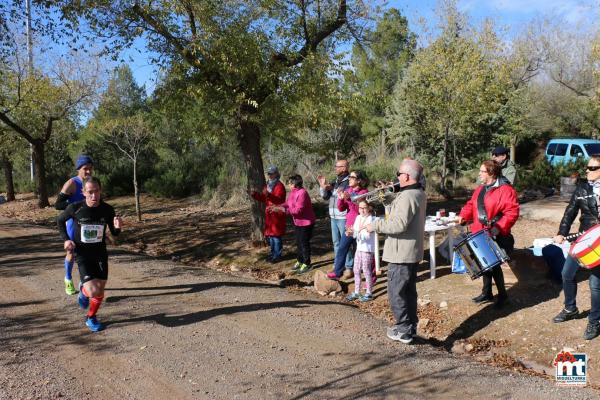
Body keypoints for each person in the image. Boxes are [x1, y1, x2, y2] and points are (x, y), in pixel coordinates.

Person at [366, 159, 426, 344]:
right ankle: (409, 327)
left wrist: (375, 225)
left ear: (406, 176)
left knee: (396, 292)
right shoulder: (416, 193)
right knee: (408, 292)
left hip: (401, 252)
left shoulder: (408, 196)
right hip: (409, 251)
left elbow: (398, 224)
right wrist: (385, 197)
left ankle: (403, 330)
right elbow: (396, 211)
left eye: (398, 174)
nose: (396, 178)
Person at [57, 177, 122, 332]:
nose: (94, 196)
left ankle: (85, 294)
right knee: (94, 291)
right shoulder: (75, 208)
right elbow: (60, 221)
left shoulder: (107, 209)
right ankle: (91, 317)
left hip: (100, 253)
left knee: (99, 289)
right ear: (83, 192)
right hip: (83, 253)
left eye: (97, 191)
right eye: (90, 192)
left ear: (100, 191)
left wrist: (117, 228)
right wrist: (66, 240)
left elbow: (114, 233)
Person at [457, 160, 519, 308]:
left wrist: (499, 227)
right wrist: (463, 215)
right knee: (484, 262)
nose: (479, 173)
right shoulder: (480, 189)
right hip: (479, 231)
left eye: (482, 171)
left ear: (491, 173)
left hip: (496, 233)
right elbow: (472, 205)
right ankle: (487, 292)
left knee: (495, 265)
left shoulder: (506, 190)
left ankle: (503, 296)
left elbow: (512, 213)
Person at [551, 155, 600, 340]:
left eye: (593, 168)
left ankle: (595, 320)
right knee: (567, 274)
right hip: (583, 239)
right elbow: (569, 212)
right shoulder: (581, 188)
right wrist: (561, 233)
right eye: (587, 167)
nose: (587, 170)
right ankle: (570, 308)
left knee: (595, 284)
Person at [55, 154, 94, 296]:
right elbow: (57, 205)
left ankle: (84, 280)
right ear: (79, 169)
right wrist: (74, 206)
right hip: (72, 222)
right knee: (71, 251)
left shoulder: (92, 182)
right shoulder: (72, 183)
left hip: (88, 222)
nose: (88, 172)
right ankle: (68, 278)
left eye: (90, 169)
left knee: (88, 252)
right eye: (85, 169)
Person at [327, 170, 369, 280]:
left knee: (360, 250)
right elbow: (341, 208)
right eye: (349, 177)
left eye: (352, 177)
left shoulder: (364, 192)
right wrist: (341, 199)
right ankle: (337, 272)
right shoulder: (348, 190)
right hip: (350, 225)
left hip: (361, 226)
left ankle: (363, 272)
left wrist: (349, 197)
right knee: (342, 247)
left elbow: (360, 209)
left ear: (359, 180)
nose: (349, 178)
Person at [318, 160, 354, 278]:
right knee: (336, 243)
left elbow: (347, 195)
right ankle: (338, 265)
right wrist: (323, 187)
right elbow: (325, 197)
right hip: (333, 216)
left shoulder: (349, 181)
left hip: (343, 216)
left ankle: (349, 267)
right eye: (336, 166)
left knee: (345, 243)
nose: (336, 168)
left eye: (338, 167)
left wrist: (331, 189)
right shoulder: (336, 181)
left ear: (345, 168)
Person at [273, 175, 316, 274]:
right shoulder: (293, 192)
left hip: (306, 222)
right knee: (298, 242)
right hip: (297, 222)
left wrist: (283, 210)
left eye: (290, 183)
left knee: (304, 243)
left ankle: (307, 263)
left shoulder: (302, 193)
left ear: (294, 184)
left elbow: (298, 210)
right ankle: (300, 261)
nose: (288, 185)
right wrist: (278, 206)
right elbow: (288, 203)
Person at [250, 165, 286, 263]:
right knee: (270, 236)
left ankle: (277, 255)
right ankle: (273, 253)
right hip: (269, 213)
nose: (269, 175)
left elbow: (279, 199)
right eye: (268, 173)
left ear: (276, 173)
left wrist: (269, 195)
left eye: (271, 173)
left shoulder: (279, 186)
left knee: (276, 235)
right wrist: (255, 195)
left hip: (276, 212)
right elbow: (264, 198)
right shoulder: (267, 185)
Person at [346, 200, 377, 302]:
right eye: (360, 208)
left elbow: (367, 235)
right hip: (359, 248)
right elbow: (355, 230)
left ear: (369, 208)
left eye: (364, 208)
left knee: (366, 270)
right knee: (356, 269)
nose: (362, 210)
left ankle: (369, 292)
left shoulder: (372, 219)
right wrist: (350, 232)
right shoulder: (358, 217)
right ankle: (356, 291)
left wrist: (355, 233)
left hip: (367, 249)